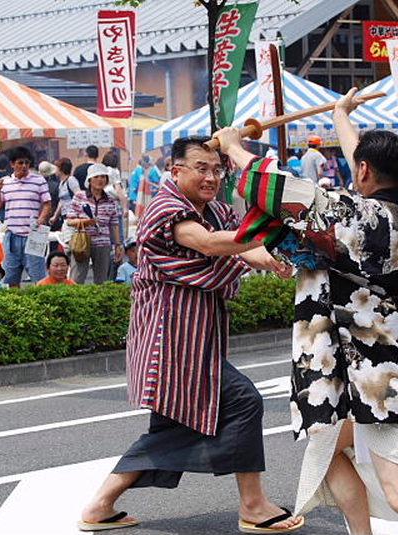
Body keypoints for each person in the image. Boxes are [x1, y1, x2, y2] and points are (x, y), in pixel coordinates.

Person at [220, 88, 398, 535]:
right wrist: (341, 113)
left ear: (363, 171)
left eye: (357, 164)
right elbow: (359, 163)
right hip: (381, 370)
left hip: (383, 378)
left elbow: (280, 189)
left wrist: (231, 146)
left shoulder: (358, 218)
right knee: (325, 448)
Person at [79, 136, 301, 534]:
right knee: (244, 400)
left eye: (217, 169)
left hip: (194, 336)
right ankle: (253, 505)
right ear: (175, 170)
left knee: (174, 427)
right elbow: (211, 243)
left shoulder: (209, 208)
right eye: (201, 168)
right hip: (171, 340)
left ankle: (100, 504)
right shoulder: (166, 210)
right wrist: (268, 233)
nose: (212, 176)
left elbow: (233, 243)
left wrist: (271, 260)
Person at [0, 146, 51, 287]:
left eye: (27, 163)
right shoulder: (5, 183)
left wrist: (41, 219)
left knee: (39, 278)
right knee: (11, 278)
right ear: (12, 164)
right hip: (11, 235)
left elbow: (47, 204)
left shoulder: (39, 180)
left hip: (33, 234)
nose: (24, 166)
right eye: (20, 163)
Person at [65, 164, 122, 284]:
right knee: (77, 278)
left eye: (103, 177)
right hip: (81, 242)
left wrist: (118, 244)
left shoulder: (111, 200)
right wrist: (86, 222)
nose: (100, 180)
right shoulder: (79, 196)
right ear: (89, 180)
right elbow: (70, 220)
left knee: (101, 280)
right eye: (96, 177)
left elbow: (114, 224)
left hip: (103, 243)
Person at [49, 157, 80, 230]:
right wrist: (55, 217)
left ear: (61, 169)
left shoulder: (71, 180)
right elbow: (61, 202)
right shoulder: (61, 183)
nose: (55, 171)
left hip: (72, 216)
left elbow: (79, 196)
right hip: (64, 215)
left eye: (56, 168)